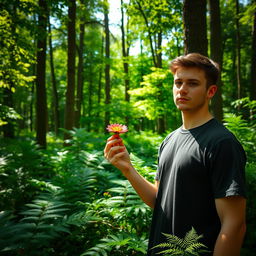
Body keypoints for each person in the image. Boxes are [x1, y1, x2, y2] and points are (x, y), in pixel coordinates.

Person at [104, 53, 246, 256]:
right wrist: (127, 168)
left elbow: (234, 225)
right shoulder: (169, 140)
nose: (182, 89)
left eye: (193, 83)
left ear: (210, 91)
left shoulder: (222, 143)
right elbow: (158, 201)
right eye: (178, 82)